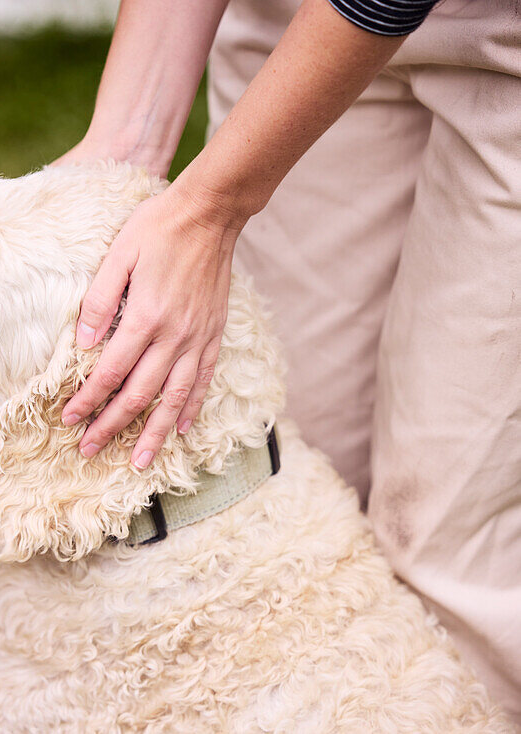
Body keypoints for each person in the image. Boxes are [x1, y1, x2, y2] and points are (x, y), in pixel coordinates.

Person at [54, 0, 521, 722]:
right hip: (298, 24)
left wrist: (209, 209)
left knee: (446, 542)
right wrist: (125, 142)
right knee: (289, 475)